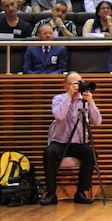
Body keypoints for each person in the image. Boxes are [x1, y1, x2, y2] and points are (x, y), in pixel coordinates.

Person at [40, 72, 101, 206]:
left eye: (79, 83)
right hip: (60, 143)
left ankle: (81, 192)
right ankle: (51, 194)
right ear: (65, 86)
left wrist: (91, 103)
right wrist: (68, 96)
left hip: (78, 144)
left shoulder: (85, 100)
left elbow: (97, 122)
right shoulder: (58, 99)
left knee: (90, 153)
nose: (77, 87)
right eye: (73, 84)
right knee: (49, 153)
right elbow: (59, 116)